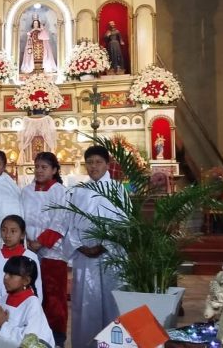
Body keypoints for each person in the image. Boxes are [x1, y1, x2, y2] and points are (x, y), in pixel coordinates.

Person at [67, 146, 126, 346]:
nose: (93, 166)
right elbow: (69, 222)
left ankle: (113, 344)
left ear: (107, 164)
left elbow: (123, 223)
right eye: (90, 162)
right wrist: (80, 246)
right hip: (85, 258)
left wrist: (104, 245)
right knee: (86, 305)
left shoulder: (118, 190)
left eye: (98, 162)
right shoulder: (78, 191)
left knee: (111, 304)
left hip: (110, 256)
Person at [22, 152, 70, 347]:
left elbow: (61, 219)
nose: (39, 171)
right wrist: (27, 240)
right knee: (32, 293)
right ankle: (34, 335)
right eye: (37, 167)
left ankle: (57, 337)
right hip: (29, 248)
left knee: (54, 296)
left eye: (44, 167)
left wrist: (41, 241)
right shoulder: (26, 191)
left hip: (53, 252)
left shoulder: (60, 192)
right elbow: (20, 215)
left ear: (54, 170)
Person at [0, 256, 54, 346]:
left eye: (11, 275)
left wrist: (4, 326)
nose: (5, 277)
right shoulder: (3, 299)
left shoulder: (32, 304)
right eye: (5, 273)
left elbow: (32, 340)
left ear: (26, 280)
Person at [0, 215, 43, 316]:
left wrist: (32, 307)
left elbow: (36, 285)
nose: (7, 235)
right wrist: (0, 301)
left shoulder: (31, 257)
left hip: (24, 308)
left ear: (22, 235)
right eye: (4, 230)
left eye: (13, 231)